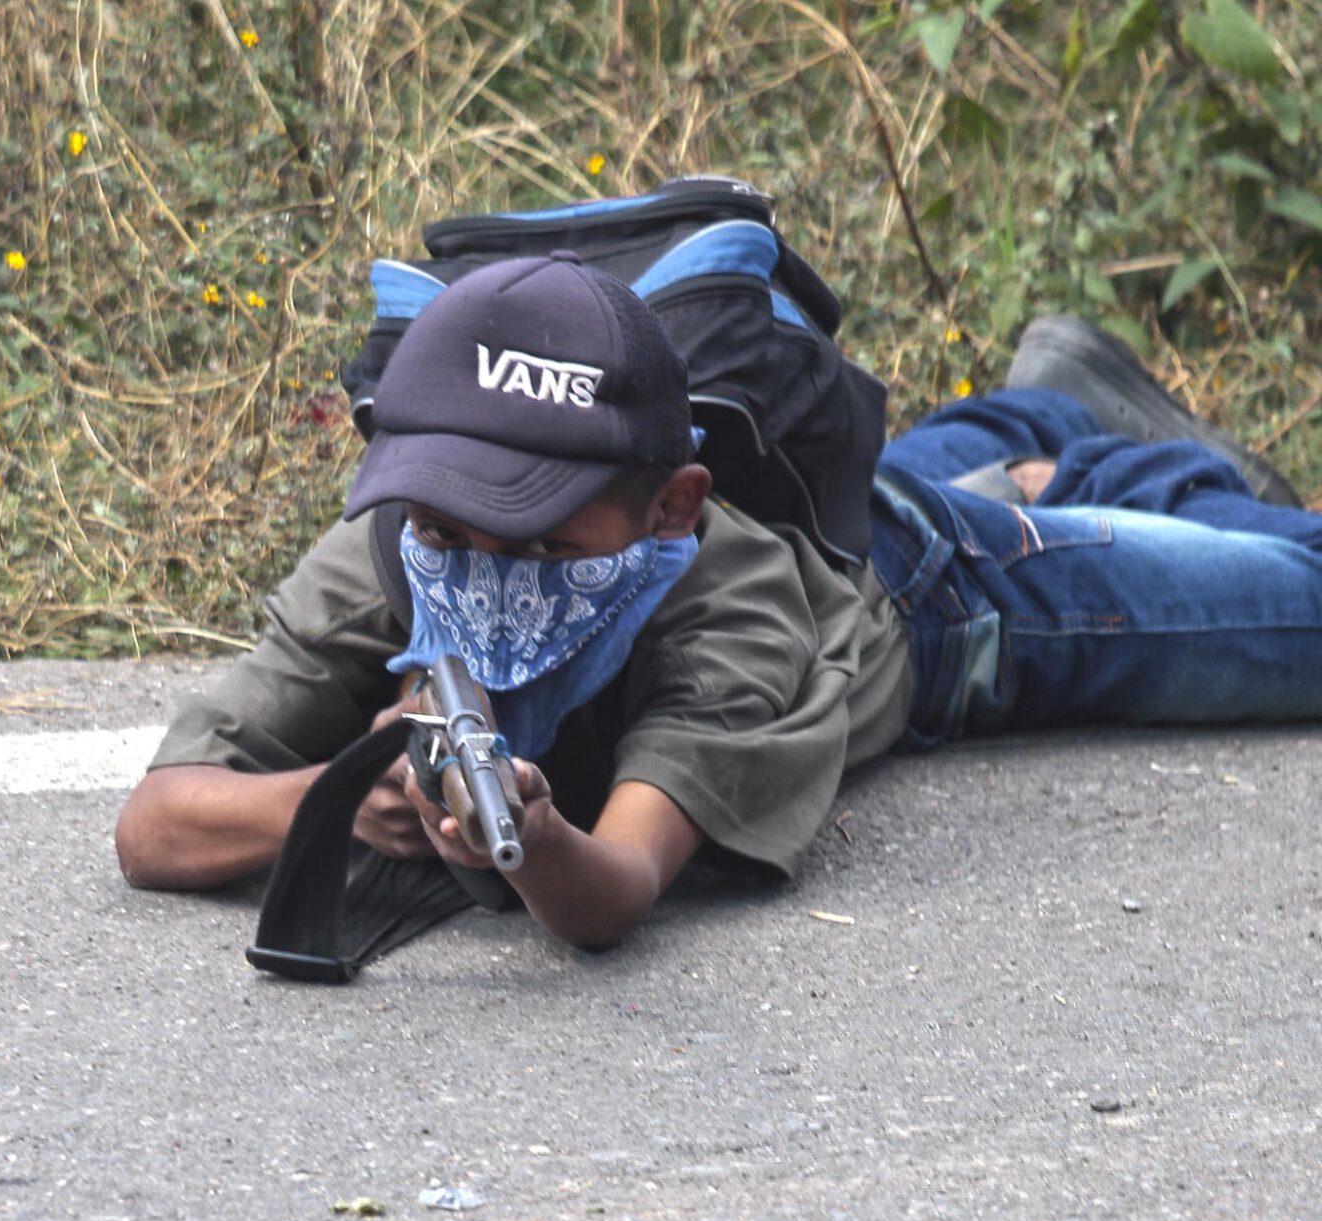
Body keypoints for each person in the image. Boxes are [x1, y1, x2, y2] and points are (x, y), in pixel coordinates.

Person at [115, 254, 1322, 951]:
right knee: (931, 476)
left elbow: (617, 890)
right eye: (447, 525)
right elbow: (155, 824)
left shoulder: (721, 595)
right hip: (860, 515)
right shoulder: (390, 549)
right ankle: (1039, 422)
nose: (480, 564)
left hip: (933, 597)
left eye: (533, 531)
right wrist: (328, 800)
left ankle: (1107, 466)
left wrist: (531, 841)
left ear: (671, 508)